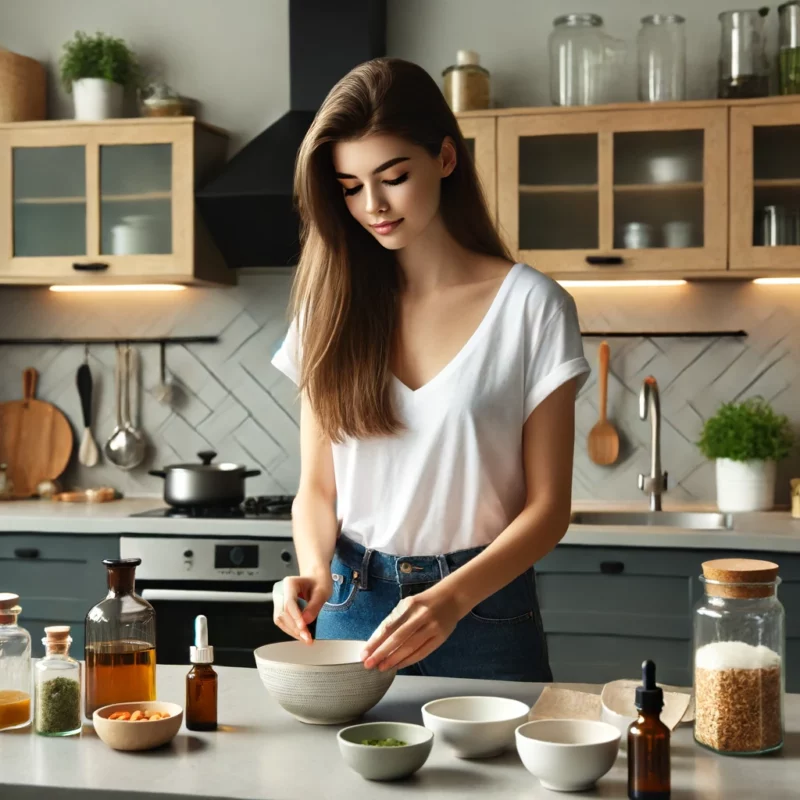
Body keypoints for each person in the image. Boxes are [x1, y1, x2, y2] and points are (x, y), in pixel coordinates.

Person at [271, 58, 590, 682]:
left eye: (393, 176)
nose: (373, 206)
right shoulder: (326, 307)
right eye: (350, 186)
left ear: (446, 158)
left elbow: (549, 507)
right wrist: (311, 570)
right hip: (350, 606)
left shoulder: (532, 307)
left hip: (484, 612)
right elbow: (317, 488)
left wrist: (450, 599)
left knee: (496, 783)